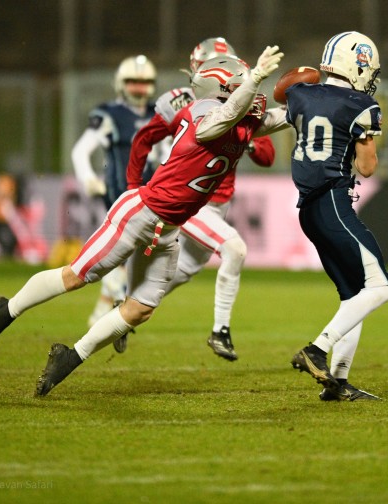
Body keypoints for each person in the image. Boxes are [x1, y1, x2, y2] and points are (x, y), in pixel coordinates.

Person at [0, 45, 290, 397]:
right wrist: (256, 78)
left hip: (168, 232)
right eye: (241, 86)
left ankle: (70, 357)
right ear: (220, 90)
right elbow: (225, 117)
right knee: (76, 276)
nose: (251, 93)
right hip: (141, 214)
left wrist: (310, 101)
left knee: (139, 310)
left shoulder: (237, 121)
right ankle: (6, 310)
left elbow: (277, 118)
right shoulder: (203, 114)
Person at [122, 37, 276, 361]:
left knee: (186, 269)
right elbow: (143, 140)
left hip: (218, 205)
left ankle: (125, 310)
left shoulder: (244, 102)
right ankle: (221, 331)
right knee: (233, 250)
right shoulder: (180, 102)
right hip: (188, 200)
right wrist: (133, 187)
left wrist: (245, 136)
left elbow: (267, 157)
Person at [287, 32, 388, 401]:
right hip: (333, 203)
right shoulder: (359, 104)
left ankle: (338, 382)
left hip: (308, 210)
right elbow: (367, 168)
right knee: (380, 287)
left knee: (354, 296)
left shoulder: (301, 94)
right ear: (358, 65)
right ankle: (317, 349)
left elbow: (285, 111)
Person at [71, 55, 167, 328]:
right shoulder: (109, 114)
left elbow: (168, 150)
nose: (139, 87)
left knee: (131, 254)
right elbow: (81, 151)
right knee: (124, 253)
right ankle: (117, 309)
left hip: (150, 194)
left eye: (143, 81)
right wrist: (88, 179)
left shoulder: (159, 112)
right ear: (121, 83)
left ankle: (102, 311)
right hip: (120, 194)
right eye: (133, 81)